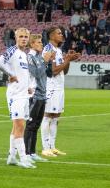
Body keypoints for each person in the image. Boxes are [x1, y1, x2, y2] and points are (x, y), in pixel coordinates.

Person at [0, 28, 36, 169]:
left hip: (24, 94)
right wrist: (10, 73)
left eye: (26, 37)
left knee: (18, 127)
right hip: (15, 95)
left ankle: (12, 157)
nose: (24, 39)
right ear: (16, 37)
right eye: (21, 36)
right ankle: (23, 159)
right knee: (19, 126)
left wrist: (29, 86)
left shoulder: (24, 55)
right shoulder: (12, 50)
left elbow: (25, 74)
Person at [40, 27, 80, 157]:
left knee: (56, 117)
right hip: (51, 87)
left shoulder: (58, 50)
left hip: (59, 87)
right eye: (59, 33)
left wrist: (67, 59)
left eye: (61, 33)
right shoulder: (48, 49)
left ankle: (52, 147)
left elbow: (64, 71)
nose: (62, 35)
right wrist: (67, 60)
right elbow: (53, 71)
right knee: (47, 116)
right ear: (51, 36)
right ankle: (45, 148)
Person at [24, 34, 54, 162]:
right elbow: (35, 73)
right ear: (31, 45)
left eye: (41, 42)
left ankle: (32, 152)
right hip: (34, 95)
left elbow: (49, 74)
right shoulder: (29, 57)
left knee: (36, 125)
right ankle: (25, 153)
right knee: (30, 125)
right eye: (38, 42)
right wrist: (45, 61)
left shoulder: (40, 57)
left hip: (42, 95)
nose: (41, 44)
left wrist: (50, 61)